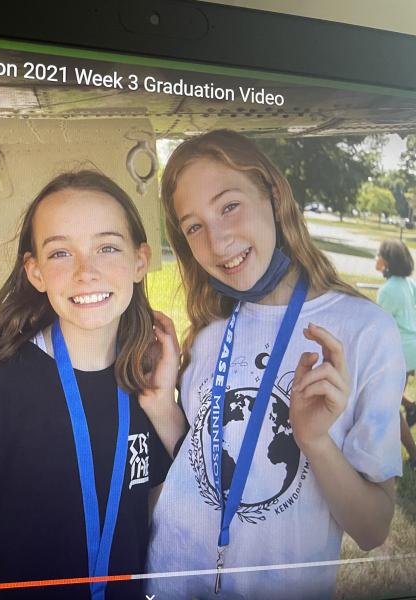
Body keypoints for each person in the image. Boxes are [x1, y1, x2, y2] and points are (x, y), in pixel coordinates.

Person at [146, 130, 403, 600]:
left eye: (229, 206)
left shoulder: (365, 332)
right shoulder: (209, 331)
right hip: (166, 580)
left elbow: (372, 529)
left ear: (274, 196)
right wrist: (161, 402)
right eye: (194, 226)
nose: (218, 241)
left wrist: (315, 441)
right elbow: (199, 460)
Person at [0, 170, 184, 599]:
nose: (86, 272)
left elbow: (174, 524)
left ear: (140, 260)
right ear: (35, 272)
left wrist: (165, 407)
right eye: (60, 253)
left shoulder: (147, 383)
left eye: (107, 247)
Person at [375, 239, 416, 467]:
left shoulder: (388, 290)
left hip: (400, 351)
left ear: (387, 262)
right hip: (412, 349)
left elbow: (380, 325)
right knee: (387, 388)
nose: (376, 259)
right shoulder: (409, 284)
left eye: (378, 255)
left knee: (389, 404)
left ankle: (414, 455)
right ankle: (411, 407)